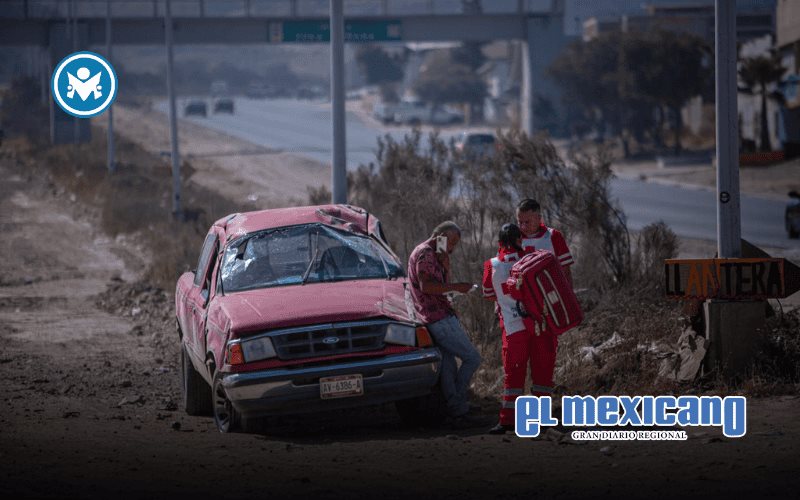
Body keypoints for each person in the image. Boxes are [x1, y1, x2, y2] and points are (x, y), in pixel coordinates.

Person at [407, 221, 482, 419]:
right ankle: (457, 403)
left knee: (448, 363)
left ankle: (454, 407)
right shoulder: (425, 253)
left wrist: (446, 266)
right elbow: (427, 286)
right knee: (472, 358)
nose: (452, 247)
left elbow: (440, 285)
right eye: (451, 242)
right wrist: (458, 287)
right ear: (440, 237)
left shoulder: (435, 255)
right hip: (438, 317)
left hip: (434, 316)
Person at [516, 198, 574, 287]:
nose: (523, 227)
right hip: (524, 298)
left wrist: (569, 297)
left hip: (551, 295)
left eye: (527, 222)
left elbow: (566, 271)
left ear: (539, 218)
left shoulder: (553, 236)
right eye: (520, 222)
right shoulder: (513, 239)